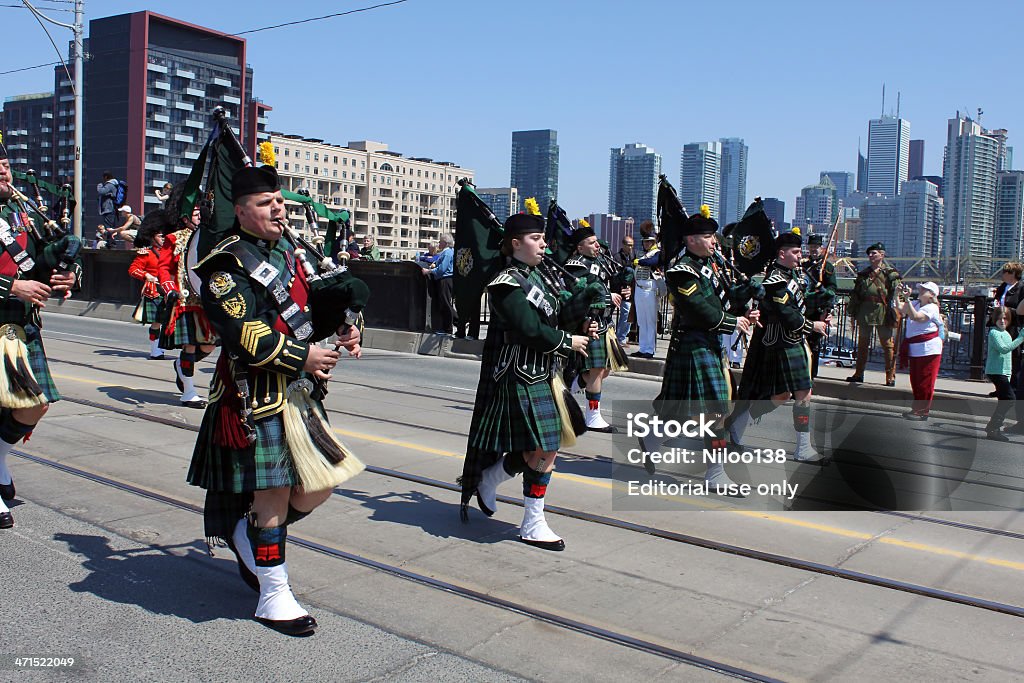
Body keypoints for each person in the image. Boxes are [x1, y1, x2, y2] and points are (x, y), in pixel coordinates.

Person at [187, 164, 369, 635]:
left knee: (318, 486)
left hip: (300, 392)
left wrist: (345, 326)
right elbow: (245, 334)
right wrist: (301, 357)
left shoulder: (287, 251)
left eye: (280, 200)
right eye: (266, 203)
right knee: (273, 493)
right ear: (241, 210)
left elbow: (307, 309)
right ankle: (273, 593)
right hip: (256, 393)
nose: (278, 208)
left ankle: (249, 534)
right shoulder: (225, 266)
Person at [465, 213, 594, 550]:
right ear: (515, 243)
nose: (543, 244)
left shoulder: (540, 278)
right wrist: (567, 341)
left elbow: (555, 315)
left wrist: (583, 315)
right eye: (536, 238)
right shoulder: (506, 283)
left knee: (543, 447)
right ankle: (532, 520)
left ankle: (494, 480)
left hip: (546, 374)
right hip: (521, 373)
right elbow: (528, 329)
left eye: (542, 238)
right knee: (545, 448)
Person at [642, 208, 759, 486]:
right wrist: (733, 321)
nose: (714, 241)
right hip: (692, 345)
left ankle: (653, 436)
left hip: (709, 345)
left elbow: (726, 297)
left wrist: (750, 291)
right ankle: (715, 474)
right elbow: (699, 310)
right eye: (707, 236)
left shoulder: (710, 267)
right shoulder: (681, 272)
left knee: (690, 412)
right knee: (715, 411)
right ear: (691, 239)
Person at [0, 140, 83, 529]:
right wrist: (12, 288)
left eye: (4, 162)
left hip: (21, 325)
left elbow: (44, 256)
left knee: (34, 404)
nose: (3, 170)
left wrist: (69, 273)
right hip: (7, 307)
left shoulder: (21, 211)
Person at [730, 231, 828, 463]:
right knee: (780, 395)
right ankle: (737, 425)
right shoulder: (774, 280)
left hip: (793, 342)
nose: (799, 256)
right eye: (795, 252)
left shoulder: (792, 275)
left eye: (800, 251)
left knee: (804, 393)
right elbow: (786, 314)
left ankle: (803, 447)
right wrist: (813, 325)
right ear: (782, 253)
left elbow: (800, 302)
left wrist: (823, 299)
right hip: (776, 344)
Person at [564, 224, 626, 432]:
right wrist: (609, 297)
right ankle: (592, 416)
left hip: (604, 323)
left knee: (604, 370)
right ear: (580, 248)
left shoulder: (597, 261)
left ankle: (572, 385)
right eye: (591, 242)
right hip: (589, 323)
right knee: (597, 371)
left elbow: (605, 285)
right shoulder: (576, 265)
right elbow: (577, 295)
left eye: (596, 241)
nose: (597, 245)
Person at [158, 197, 216, 407]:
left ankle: (180, 367)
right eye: (194, 212)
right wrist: (169, 290)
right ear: (184, 216)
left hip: (207, 301)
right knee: (190, 346)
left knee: (209, 346)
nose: (199, 215)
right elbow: (164, 269)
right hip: (185, 300)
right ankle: (189, 391)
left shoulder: (212, 238)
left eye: (201, 211)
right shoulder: (174, 239)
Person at [847, 242, 903, 386]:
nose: (871, 256)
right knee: (862, 344)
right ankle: (858, 374)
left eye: (874, 253)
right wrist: (852, 313)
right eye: (869, 254)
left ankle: (890, 376)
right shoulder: (863, 274)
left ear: (882, 255)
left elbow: (897, 292)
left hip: (882, 312)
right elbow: (856, 295)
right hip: (865, 311)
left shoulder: (890, 273)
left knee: (887, 345)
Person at [899, 282, 944, 420]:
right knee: (916, 380)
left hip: (929, 348)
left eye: (924, 289)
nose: (920, 290)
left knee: (925, 381)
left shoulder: (932, 308)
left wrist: (906, 300)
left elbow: (916, 317)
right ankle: (917, 409)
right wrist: (897, 295)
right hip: (916, 348)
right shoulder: (917, 304)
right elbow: (900, 308)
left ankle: (923, 411)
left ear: (932, 294)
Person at [128, 213, 168, 360]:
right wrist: (146, 276)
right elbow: (133, 269)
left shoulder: (171, 252)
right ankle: (155, 349)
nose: (163, 239)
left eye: (165, 236)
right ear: (152, 237)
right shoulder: (146, 253)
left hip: (170, 290)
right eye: (160, 236)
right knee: (157, 322)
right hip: (155, 291)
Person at [983, 306, 1024, 441]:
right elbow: (1004, 349)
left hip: (1004, 372)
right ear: (994, 319)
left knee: (1004, 400)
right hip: (996, 371)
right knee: (1009, 399)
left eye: (1005, 318)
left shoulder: (1006, 333)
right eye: (999, 318)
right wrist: (1021, 337)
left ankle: (993, 428)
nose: (1002, 321)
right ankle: (993, 427)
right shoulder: (994, 333)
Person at [801, 233, 837, 378]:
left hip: (817, 310)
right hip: (804, 309)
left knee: (814, 346)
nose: (814, 249)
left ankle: (811, 376)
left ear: (821, 248)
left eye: (816, 247)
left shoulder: (827, 267)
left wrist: (827, 309)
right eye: (811, 247)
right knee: (801, 344)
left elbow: (833, 289)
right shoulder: (804, 265)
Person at [631, 233, 660, 359]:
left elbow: (653, 262)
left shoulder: (657, 253)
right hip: (639, 288)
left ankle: (650, 349)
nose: (646, 244)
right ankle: (642, 348)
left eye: (649, 241)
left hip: (649, 288)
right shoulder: (641, 254)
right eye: (645, 242)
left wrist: (641, 262)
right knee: (642, 320)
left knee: (650, 320)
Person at [994, 261, 1023, 386]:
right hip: (1001, 325)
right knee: (998, 354)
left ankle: (1012, 385)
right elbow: (997, 300)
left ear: (1013, 274)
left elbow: (1020, 309)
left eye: (1005, 272)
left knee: (1013, 355)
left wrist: (1006, 311)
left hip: (1013, 326)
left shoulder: (1021, 288)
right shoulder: (1003, 287)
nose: (1002, 274)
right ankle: (1000, 385)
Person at [423, 233, 455, 336]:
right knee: (444, 303)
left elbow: (442, 269)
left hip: (445, 280)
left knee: (445, 304)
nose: (438, 243)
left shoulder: (447, 253)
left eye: (440, 242)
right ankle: (449, 326)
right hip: (445, 280)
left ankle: (449, 328)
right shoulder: (447, 252)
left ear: (445, 243)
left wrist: (429, 271)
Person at [613, 235, 635, 345]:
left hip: (628, 291)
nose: (630, 248)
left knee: (627, 313)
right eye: (628, 245)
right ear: (623, 245)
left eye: (632, 245)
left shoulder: (633, 256)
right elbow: (615, 275)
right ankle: (612, 337)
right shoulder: (616, 257)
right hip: (617, 289)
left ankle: (621, 337)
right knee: (609, 314)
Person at [96, 172, 119, 245]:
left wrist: (99, 185)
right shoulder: (114, 185)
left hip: (109, 209)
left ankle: (110, 242)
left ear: (106, 177)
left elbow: (101, 191)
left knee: (108, 226)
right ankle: (110, 242)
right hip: (111, 209)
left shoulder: (110, 185)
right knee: (109, 226)